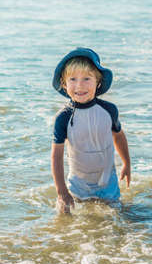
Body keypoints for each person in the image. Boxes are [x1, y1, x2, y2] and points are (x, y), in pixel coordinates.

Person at [51, 47, 131, 213]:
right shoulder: (63, 117)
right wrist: (61, 191)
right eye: (73, 79)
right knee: (65, 219)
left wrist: (127, 164)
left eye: (87, 78)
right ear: (65, 85)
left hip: (107, 180)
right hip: (78, 183)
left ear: (98, 82)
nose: (79, 85)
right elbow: (56, 156)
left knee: (118, 219)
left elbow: (119, 136)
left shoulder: (109, 110)